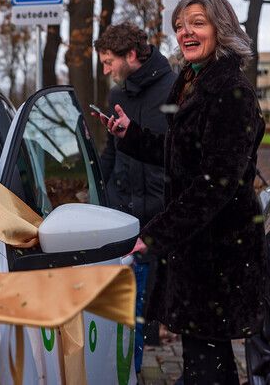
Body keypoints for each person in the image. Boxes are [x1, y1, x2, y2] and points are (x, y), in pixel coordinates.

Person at [100, 0, 267, 385]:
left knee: (205, 363)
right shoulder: (195, 81)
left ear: (220, 29)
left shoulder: (230, 91)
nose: (185, 33)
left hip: (218, 252)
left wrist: (157, 233)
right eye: (179, 26)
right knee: (206, 359)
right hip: (199, 250)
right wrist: (132, 136)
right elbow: (183, 155)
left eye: (197, 23)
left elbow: (216, 182)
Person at [94, 22, 175, 374]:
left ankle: (138, 368)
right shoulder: (117, 96)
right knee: (123, 309)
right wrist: (96, 191)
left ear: (131, 55)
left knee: (147, 308)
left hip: (159, 215)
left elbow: (181, 155)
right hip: (120, 212)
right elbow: (112, 151)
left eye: (109, 61)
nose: (105, 69)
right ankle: (125, 370)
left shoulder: (175, 90)